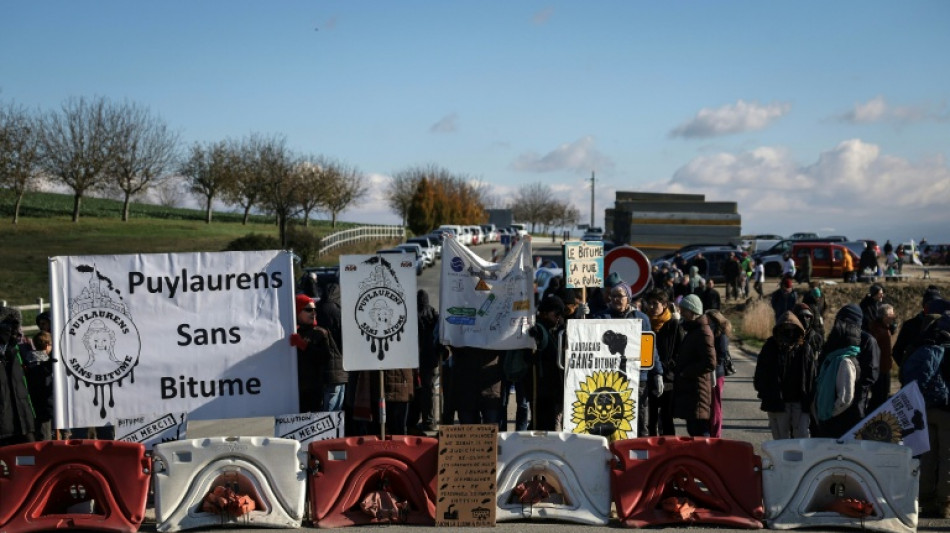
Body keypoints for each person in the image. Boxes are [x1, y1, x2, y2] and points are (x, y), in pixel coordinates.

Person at [593, 282, 663, 437]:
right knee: (613, 421)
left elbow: (650, 347)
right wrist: (581, 318)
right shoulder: (601, 317)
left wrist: (658, 373)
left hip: (638, 378)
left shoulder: (642, 319)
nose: (616, 299)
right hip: (609, 379)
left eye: (620, 296)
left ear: (629, 298)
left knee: (639, 420)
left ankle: (641, 457)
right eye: (613, 296)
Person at [811, 304, 880, 439]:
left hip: (848, 402)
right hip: (836, 402)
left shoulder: (866, 340)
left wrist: (855, 386)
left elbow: (871, 373)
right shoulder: (840, 337)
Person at [753, 311, 817, 439]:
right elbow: (760, 374)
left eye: (793, 329)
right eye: (785, 329)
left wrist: (811, 398)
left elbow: (812, 375)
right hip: (778, 402)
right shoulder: (770, 347)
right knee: (781, 440)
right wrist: (766, 393)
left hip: (800, 401)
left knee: (801, 438)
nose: (789, 332)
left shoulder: (805, 348)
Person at [672, 295, 716, 437]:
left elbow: (710, 362)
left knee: (700, 431)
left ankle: (706, 457)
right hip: (691, 390)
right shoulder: (693, 330)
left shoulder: (703, 332)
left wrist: (686, 372)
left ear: (692, 311)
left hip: (697, 390)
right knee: (693, 430)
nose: (682, 313)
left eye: (684, 310)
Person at [644, 289, 683, 436]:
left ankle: (669, 449)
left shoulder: (673, 325)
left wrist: (670, 368)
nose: (652, 307)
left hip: (668, 379)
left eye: (656, 303)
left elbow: (680, 352)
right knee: (650, 418)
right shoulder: (644, 323)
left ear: (665, 304)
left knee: (667, 418)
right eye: (650, 304)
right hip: (648, 376)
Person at [528, 295, 566, 431]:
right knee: (540, 424)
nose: (558, 317)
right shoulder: (540, 328)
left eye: (561, 314)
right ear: (545, 312)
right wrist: (536, 334)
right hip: (541, 388)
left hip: (553, 388)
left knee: (547, 424)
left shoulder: (556, 329)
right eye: (556, 313)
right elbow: (542, 341)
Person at [1, 306, 36, 446]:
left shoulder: (17, 351)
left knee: (31, 460)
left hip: (23, 419)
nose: (13, 332)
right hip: (4, 422)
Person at [289, 294, 328, 413]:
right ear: (297, 311)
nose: (313, 313)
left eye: (314, 309)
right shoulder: (289, 332)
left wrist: (304, 345)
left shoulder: (320, 333)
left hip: (313, 388)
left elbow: (325, 357)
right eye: (308, 309)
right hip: (293, 388)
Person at [315, 282, 347, 412]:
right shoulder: (339, 312)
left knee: (328, 400)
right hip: (339, 364)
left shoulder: (317, 308)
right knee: (335, 405)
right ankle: (334, 432)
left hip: (322, 365)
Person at [893, 286, 943, 367]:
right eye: (930, 304)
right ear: (924, 306)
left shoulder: (945, 325)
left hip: (940, 376)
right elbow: (897, 351)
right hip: (916, 375)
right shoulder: (910, 325)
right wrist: (907, 368)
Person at [414, 289, 440, 432]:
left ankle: (418, 419)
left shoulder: (413, 314)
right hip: (431, 358)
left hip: (416, 358)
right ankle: (429, 420)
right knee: (429, 390)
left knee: (419, 390)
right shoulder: (433, 314)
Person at [705, 309, 732, 438]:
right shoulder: (711, 333)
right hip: (710, 372)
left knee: (716, 405)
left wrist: (712, 367)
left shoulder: (721, 336)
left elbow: (721, 356)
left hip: (717, 374)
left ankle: (716, 433)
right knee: (710, 404)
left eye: (708, 320)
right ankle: (711, 429)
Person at [25, 331, 55, 441]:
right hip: (45, 408)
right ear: (47, 345)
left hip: (32, 407)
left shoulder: (27, 360)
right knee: (46, 439)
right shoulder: (46, 365)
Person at [867, 303, 897, 412]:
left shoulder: (885, 327)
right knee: (878, 397)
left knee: (884, 395)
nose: (893, 316)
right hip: (879, 368)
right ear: (885, 317)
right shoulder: (877, 330)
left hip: (885, 367)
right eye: (891, 314)